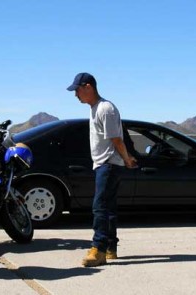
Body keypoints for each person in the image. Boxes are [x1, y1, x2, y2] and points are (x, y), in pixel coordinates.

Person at [67, 72, 137, 267]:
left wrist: (126, 159)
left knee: (99, 206)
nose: (76, 95)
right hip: (104, 163)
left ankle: (98, 249)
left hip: (108, 163)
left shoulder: (105, 108)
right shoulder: (95, 108)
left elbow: (116, 139)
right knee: (108, 207)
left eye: (78, 90)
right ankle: (110, 248)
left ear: (88, 87)